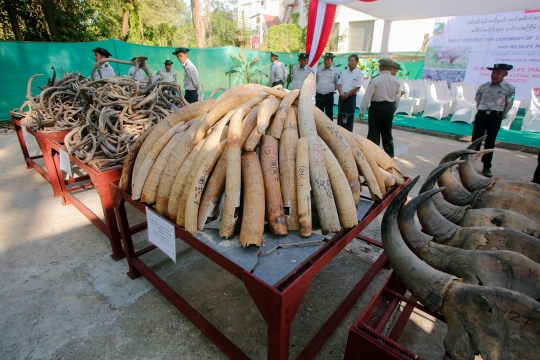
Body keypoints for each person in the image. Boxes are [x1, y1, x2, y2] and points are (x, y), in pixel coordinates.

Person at [471, 63, 515, 178]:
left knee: (490, 142)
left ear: (505, 74)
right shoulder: (483, 86)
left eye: (498, 73)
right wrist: (482, 111)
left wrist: (501, 115)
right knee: (475, 139)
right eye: (493, 73)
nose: (494, 75)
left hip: (495, 117)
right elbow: (477, 100)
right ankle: (469, 163)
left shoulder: (509, 89)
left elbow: (509, 104)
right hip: (481, 115)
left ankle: (486, 166)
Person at [359, 58, 401, 158]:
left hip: (377, 108)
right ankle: (389, 156)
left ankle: (372, 156)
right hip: (389, 108)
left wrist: (362, 110)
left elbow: (368, 96)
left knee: (374, 133)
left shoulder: (375, 79)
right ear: (391, 68)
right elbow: (397, 98)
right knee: (387, 133)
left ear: (380, 67)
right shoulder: (396, 81)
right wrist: (393, 110)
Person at [337, 54, 363, 132]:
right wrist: (341, 93)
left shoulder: (359, 73)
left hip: (351, 98)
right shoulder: (344, 72)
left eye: (352, 61)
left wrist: (347, 94)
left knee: (349, 118)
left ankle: (348, 134)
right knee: (340, 116)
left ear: (356, 62)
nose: (350, 62)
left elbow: (357, 87)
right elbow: (339, 84)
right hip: (342, 97)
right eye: (349, 61)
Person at [316, 52, 339, 120]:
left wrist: (330, 90)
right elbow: (316, 81)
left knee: (329, 115)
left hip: (328, 96)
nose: (326, 62)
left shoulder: (335, 71)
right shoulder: (319, 70)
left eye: (328, 60)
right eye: (325, 60)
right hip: (319, 96)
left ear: (332, 61)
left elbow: (337, 84)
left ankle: (329, 130)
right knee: (318, 114)